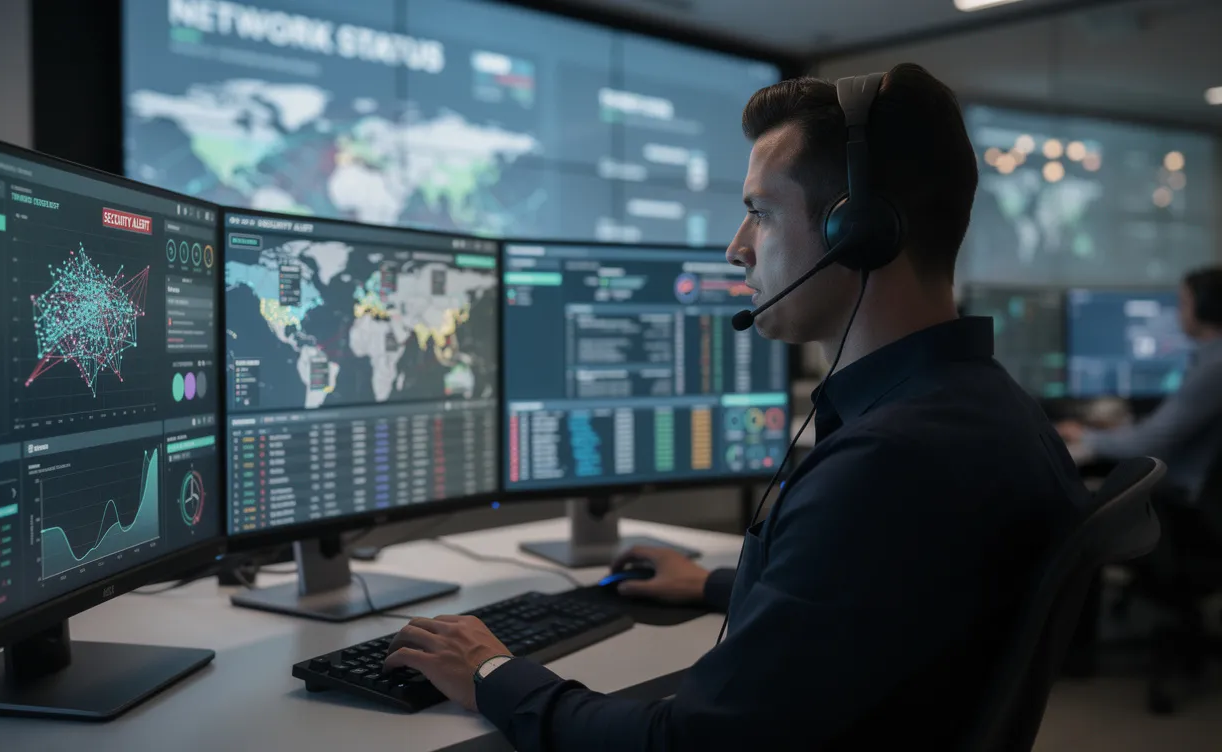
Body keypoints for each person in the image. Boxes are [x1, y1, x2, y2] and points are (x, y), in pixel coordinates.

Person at [382, 63, 1086, 750]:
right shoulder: (993, 412)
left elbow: (688, 741)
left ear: (860, 231)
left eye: (760, 214)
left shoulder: (888, 465)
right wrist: (716, 584)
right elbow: (879, 602)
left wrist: (493, 674)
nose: (736, 248)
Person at [1058, 267, 1222, 501]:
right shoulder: (1210, 360)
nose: (1178, 312)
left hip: (1182, 499)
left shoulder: (1214, 368)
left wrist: (1084, 434)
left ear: (1205, 306)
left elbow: (1147, 442)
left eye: (1183, 303)